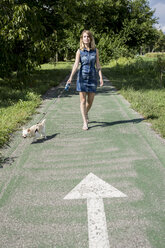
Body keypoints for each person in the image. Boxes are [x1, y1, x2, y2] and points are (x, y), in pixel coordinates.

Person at [66, 30, 104, 130]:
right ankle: (85, 122)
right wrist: (70, 78)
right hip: (82, 78)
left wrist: (100, 77)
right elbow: (75, 65)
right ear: (82, 39)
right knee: (83, 100)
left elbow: (98, 64)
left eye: (87, 36)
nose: (86, 38)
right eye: (84, 37)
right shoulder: (79, 51)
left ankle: (85, 113)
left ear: (90, 38)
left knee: (90, 101)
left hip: (92, 78)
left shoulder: (95, 51)